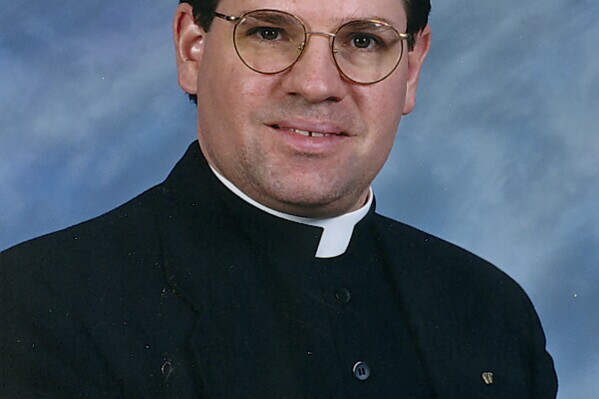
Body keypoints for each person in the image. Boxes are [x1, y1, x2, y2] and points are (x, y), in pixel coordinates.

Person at [0, 0, 558, 397]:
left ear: (410, 70)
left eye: (363, 41)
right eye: (269, 32)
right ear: (192, 49)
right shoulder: (38, 307)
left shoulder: (491, 313)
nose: (315, 84)